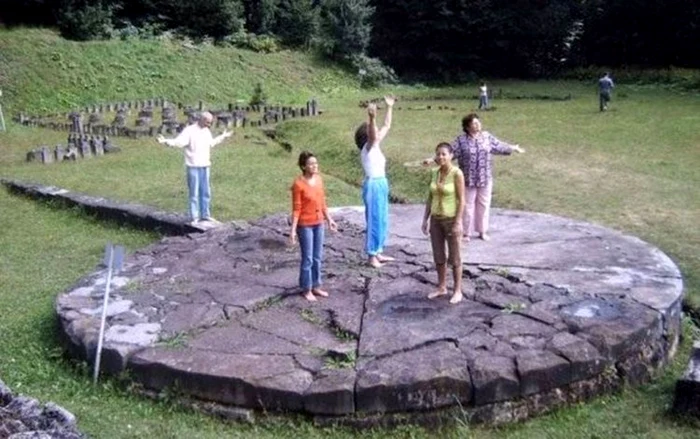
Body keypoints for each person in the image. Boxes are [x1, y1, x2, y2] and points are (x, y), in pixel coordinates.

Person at [426, 113, 524, 241]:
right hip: (467, 179)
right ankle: (466, 232)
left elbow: (499, 146)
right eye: (474, 123)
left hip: (484, 177)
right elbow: (448, 154)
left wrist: (513, 148)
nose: (478, 125)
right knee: (467, 206)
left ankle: (482, 231)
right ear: (467, 126)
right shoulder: (461, 141)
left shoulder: (486, 137)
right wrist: (433, 160)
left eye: (479, 122)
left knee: (484, 204)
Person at [157, 112, 232, 225]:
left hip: (205, 165)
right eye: (207, 122)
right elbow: (179, 142)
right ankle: (195, 216)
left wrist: (222, 137)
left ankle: (205, 215)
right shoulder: (189, 131)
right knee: (194, 193)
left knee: (206, 192)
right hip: (193, 166)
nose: (209, 125)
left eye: (210, 123)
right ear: (201, 120)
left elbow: (211, 143)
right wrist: (166, 141)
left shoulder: (206, 131)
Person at [289, 151, 338, 302]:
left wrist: (329, 219)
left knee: (318, 257)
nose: (314, 166)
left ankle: (316, 285)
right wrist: (293, 231)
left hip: (319, 223)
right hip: (305, 225)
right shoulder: (298, 184)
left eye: (316, 163)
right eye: (311, 164)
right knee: (308, 258)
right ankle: (306, 288)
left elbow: (322, 202)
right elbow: (296, 208)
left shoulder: (319, 180)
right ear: (304, 166)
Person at [354, 96, 396, 268]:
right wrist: (371, 118)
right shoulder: (368, 148)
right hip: (372, 185)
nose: (378, 131)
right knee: (374, 219)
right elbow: (372, 135)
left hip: (381, 183)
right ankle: (371, 255)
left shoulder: (376, 146)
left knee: (383, 218)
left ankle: (378, 251)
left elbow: (387, 125)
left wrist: (389, 107)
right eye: (374, 130)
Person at [421, 142, 465, 304]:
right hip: (436, 219)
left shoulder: (457, 173)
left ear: (451, 155)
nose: (441, 157)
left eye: (444, 154)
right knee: (439, 255)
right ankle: (441, 286)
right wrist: (425, 219)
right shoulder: (434, 173)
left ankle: (458, 290)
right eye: (438, 154)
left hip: (451, 218)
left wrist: (458, 222)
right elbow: (430, 197)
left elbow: (462, 200)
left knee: (455, 256)